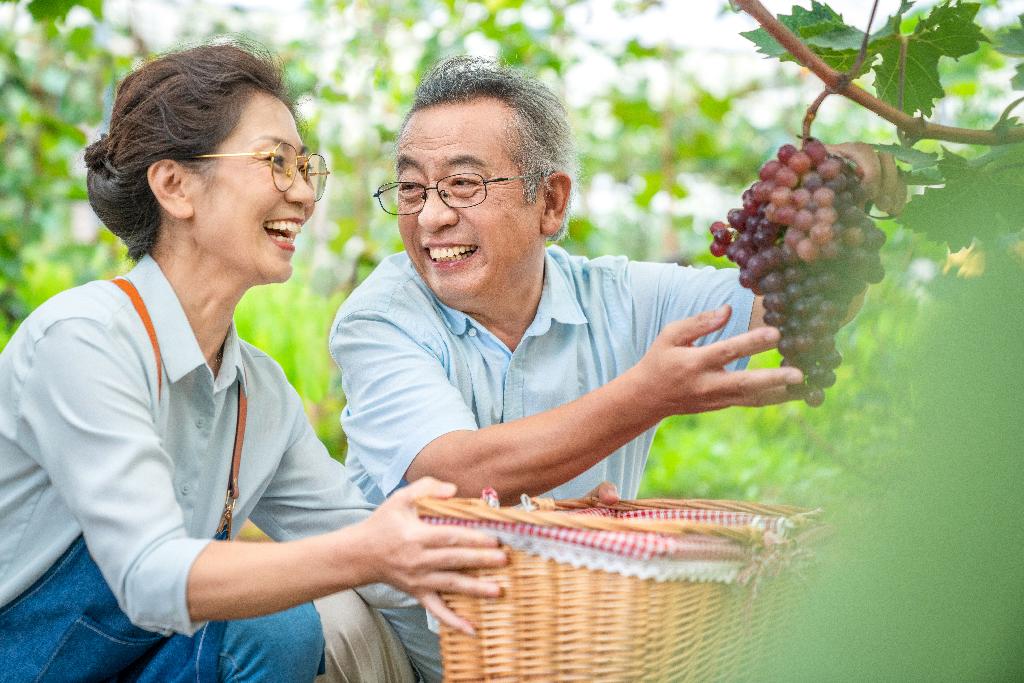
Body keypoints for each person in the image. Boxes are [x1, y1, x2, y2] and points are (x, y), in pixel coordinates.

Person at [328, 55, 906, 680]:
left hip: (572, 654)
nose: (430, 216)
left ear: (549, 203)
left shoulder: (624, 299)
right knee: (326, 625)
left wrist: (844, 185)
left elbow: (790, 309)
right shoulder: (381, 317)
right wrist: (645, 396)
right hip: (406, 653)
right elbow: (454, 475)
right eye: (411, 188)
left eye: (463, 184)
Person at [0, 43, 508, 683]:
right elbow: (151, 578)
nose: (301, 193)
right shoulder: (83, 340)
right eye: (275, 162)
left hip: (132, 659)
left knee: (269, 631)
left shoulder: (256, 394)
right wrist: (369, 552)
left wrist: (524, 575)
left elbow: (374, 546)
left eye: (304, 167)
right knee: (278, 625)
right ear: (175, 186)